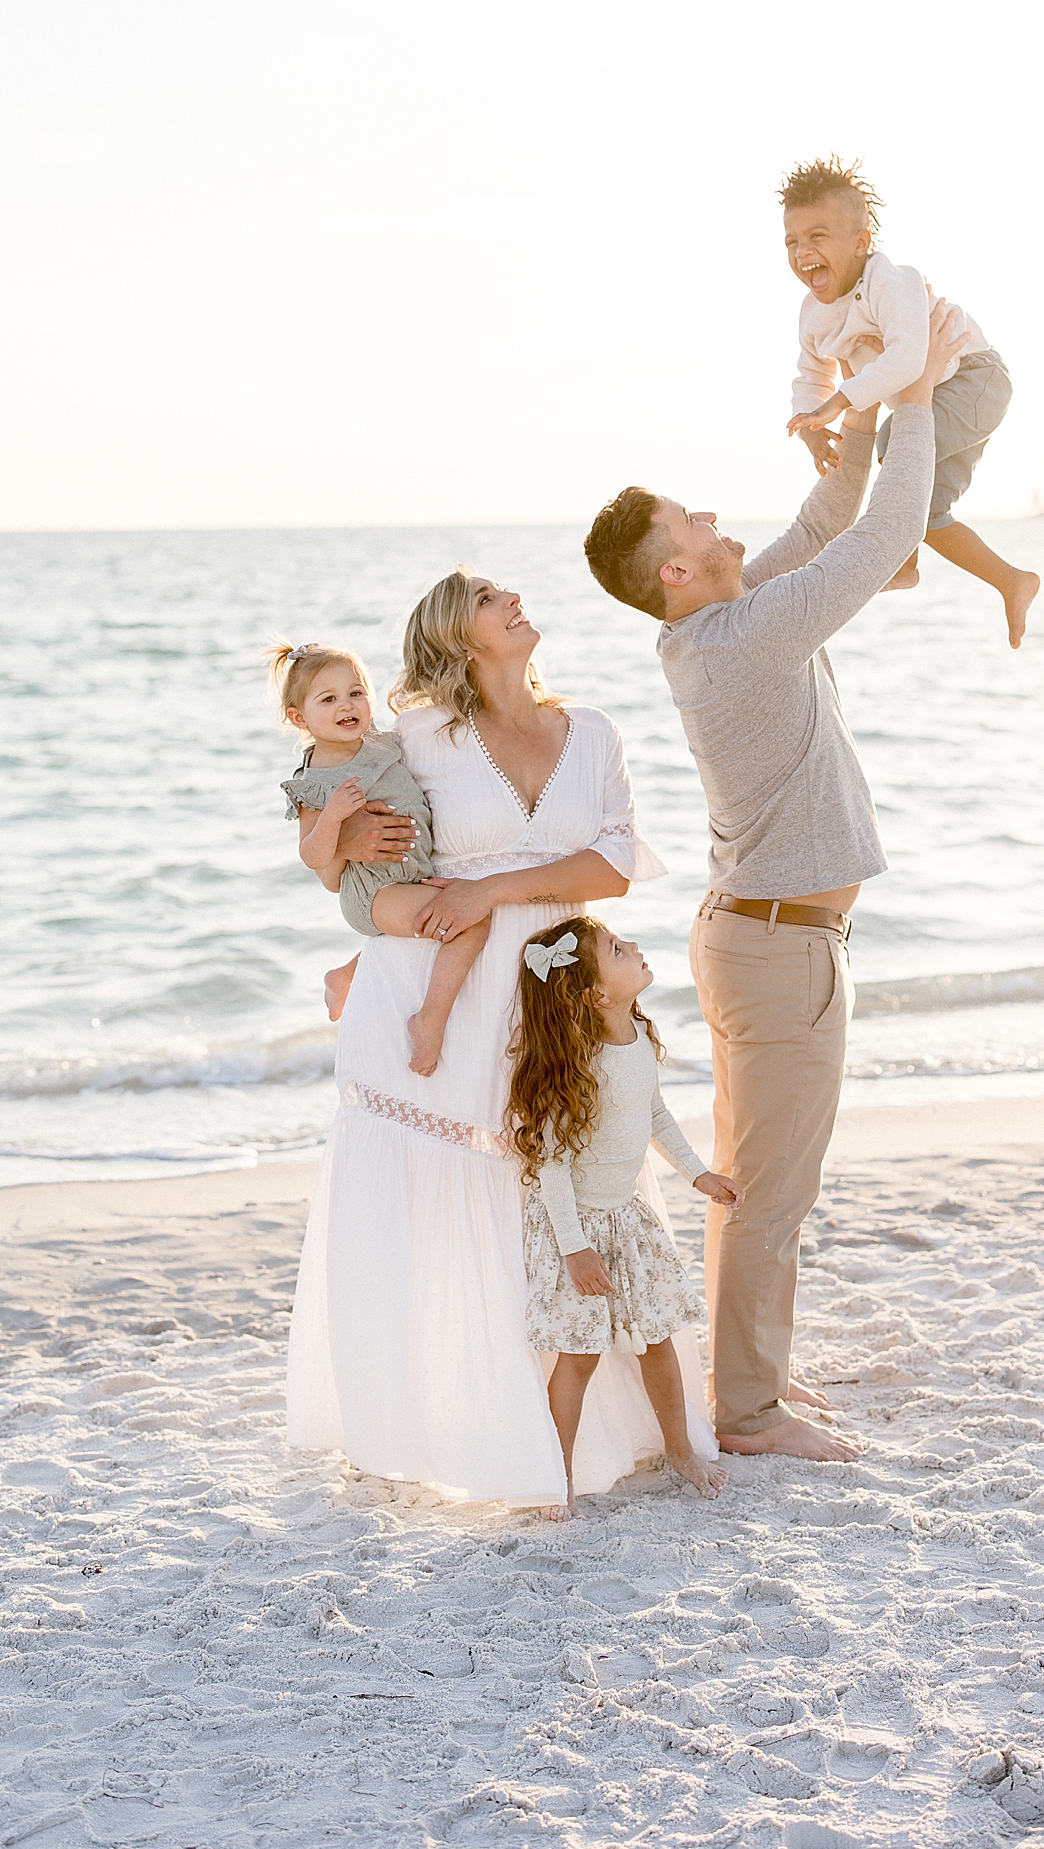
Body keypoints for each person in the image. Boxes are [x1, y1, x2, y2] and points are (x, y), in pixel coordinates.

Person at [583, 302, 967, 1462]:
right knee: (772, 1194)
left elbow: (825, 514)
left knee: (755, 1187)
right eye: (688, 518)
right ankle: (748, 1413)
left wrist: (853, 411)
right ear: (679, 570)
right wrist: (914, 392)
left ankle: (749, 1389)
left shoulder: (721, 622)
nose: (711, 512)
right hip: (778, 946)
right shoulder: (742, 635)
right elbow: (885, 525)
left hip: (766, 938)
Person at [285, 568, 708, 1509]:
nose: (512, 595)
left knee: (579, 1171)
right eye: (486, 594)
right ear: (456, 634)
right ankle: (448, 1422)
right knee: (446, 1194)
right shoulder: (422, 736)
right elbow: (346, 832)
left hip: (558, 989)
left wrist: (492, 890)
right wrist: (361, 947)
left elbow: (613, 866)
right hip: (443, 986)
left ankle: (593, 1430)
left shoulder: (591, 731)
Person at [506, 916, 742, 1511]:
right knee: (580, 1356)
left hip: (627, 1220)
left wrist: (698, 1174)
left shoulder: (636, 1034)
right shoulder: (574, 1064)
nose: (633, 946)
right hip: (577, 1226)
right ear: (594, 993)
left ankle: (680, 1450)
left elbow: (655, 1114)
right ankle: (554, 1475)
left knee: (657, 1338)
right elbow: (552, 1167)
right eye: (617, 948)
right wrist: (574, 1247)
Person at [780, 154, 1040, 645]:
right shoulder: (813, 313)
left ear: (861, 243)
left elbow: (907, 359)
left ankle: (903, 560)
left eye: (818, 236)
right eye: (792, 241)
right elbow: (810, 373)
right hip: (934, 400)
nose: (802, 251)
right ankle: (1012, 581)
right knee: (927, 514)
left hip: (974, 378)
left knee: (893, 444)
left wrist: (838, 402)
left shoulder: (890, 281)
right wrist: (811, 427)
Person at [270, 640, 488, 1076]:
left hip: (409, 876)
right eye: (328, 699)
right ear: (299, 718)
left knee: (460, 915)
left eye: (356, 692)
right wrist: (332, 817)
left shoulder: (383, 744)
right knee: (468, 922)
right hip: (374, 890)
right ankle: (429, 1022)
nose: (346, 705)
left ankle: (347, 975)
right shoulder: (315, 781)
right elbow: (312, 856)